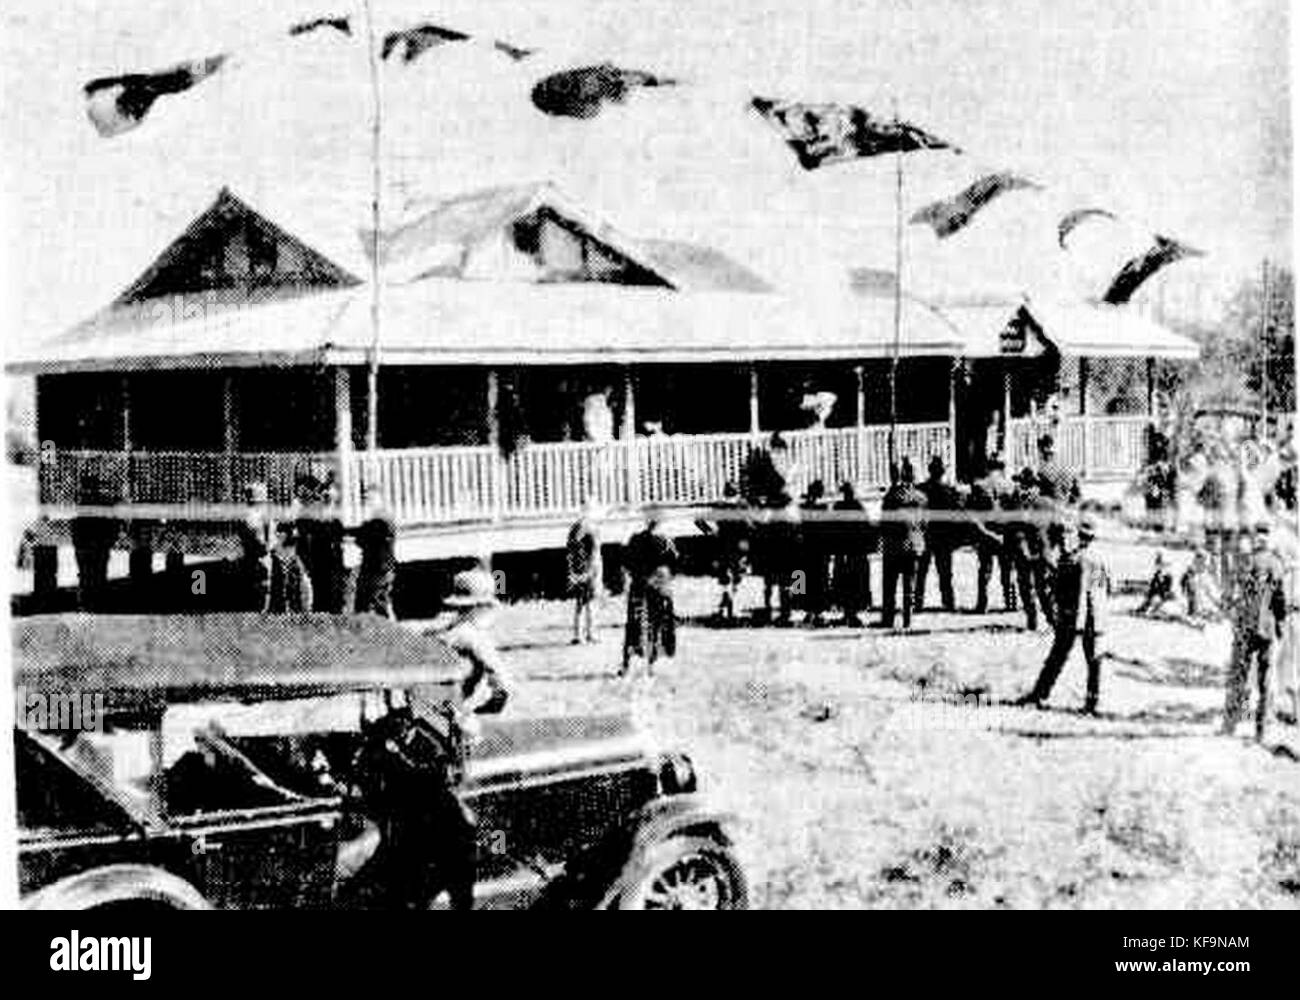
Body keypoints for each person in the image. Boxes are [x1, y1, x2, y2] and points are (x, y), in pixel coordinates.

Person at [1015, 516, 1112, 715]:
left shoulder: (1072, 559)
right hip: (1095, 615)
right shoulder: (1100, 559)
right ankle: (1093, 702)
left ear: (1079, 535)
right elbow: (1105, 586)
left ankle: (1039, 695)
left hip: (1072, 616)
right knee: (1094, 660)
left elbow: (1059, 589)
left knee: (1057, 657)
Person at [1220, 524, 1288, 742]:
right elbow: (1280, 600)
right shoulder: (1276, 564)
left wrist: (1233, 615)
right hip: (1266, 629)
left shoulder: (1245, 560)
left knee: (1240, 677)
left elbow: (1232, 594)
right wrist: (1280, 624)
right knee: (1263, 680)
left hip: (1245, 628)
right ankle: (1260, 731)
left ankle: (1232, 724)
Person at [434, 567, 513, 715]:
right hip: (454, 701)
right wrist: (499, 695)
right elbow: (497, 671)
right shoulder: (472, 635)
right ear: (480, 607)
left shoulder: (447, 629)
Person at [621, 507, 679, 676]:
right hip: (659, 586)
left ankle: (626, 664)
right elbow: (674, 562)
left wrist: (638, 575)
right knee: (657, 624)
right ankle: (651, 664)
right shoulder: (665, 541)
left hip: (639, 584)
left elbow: (627, 561)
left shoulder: (636, 539)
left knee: (634, 624)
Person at [879, 458, 926, 631]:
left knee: (890, 584)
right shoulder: (921, 498)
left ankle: (888, 617)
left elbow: (885, 522)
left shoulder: (892, 496)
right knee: (909, 584)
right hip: (914, 545)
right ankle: (908, 618)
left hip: (894, 545)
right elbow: (925, 523)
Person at [970, 455, 1016, 614]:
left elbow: (972, 513)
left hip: (986, 531)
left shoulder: (979, 485)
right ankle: (1010, 602)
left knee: (984, 569)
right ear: (1002, 467)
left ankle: (982, 604)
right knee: (1007, 569)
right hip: (1005, 532)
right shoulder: (1010, 486)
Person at [914, 455, 959, 613]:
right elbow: (955, 516)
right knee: (945, 572)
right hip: (944, 536)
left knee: (921, 572)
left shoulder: (920, 489)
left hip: (926, 534)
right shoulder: (949, 491)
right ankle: (949, 602)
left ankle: (917, 602)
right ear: (942, 472)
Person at [296, 473, 347, 613]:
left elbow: (335, 530)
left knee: (333, 594)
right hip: (316, 560)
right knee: (320, 596)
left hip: (330, 558)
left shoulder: (327, 513)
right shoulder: (304, 515)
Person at [70, 470, 119, 611]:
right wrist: (110, 540)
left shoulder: (79, 503)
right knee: (98, 573)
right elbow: (113, 523)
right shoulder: (105, 502)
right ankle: (97, 602)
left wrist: (77, 543)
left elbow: (75, 526)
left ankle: (85, 603)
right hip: (99, 544)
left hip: (85, 544)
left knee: (85, 574)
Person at [353, 486, 397, 619]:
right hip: (376, 567)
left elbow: (362, 538)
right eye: (365, 499)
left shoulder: (381, 520)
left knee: (374, 602)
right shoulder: (377, 519)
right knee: (377, 601)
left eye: (370, 499)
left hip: (378, 568)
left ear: (379, 499)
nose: (367, 502)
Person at [831, 481, 871, 626]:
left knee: (845, 583)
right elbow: (866, 529)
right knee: (854, 583)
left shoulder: (839, 507)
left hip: (845, 552)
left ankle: (849, 613)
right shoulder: (858, 508)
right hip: (855, 552)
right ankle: (851, 613)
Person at [565, 500, 603, 644]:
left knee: (580, 602)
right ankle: (590, 633)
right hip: (590, 568)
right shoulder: (590, 528)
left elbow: (570, 550)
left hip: (578, 568)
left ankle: (578, 634)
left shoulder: (575, 527)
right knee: (591, 602)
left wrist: (573, 570)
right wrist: (591, 571)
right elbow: (593, 552)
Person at [235, 481, 273, 612]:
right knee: (255, 584)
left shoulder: (258, 515)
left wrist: (266, 546)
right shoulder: (249, 516)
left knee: (260, 585)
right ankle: (256, 609)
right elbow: (248, 538)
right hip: (254, 556)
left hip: (257, 556)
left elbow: (268, 536)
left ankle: (260, 610)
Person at [799, 480, 832, 626]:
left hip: (806, 550)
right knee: (820, 581)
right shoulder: (823, 509)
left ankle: (807, 612)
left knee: (805, 580)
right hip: (820, 550)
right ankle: (818, 612)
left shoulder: (802, 508)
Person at [268, 522, 314, 613]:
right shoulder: (274, 553)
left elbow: (304, 578)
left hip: (296, 597)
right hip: (280, 600)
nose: (278, 535)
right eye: (278, 532)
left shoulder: (297, 552)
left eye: (281, 532)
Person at [1179, 547, 1218, 622]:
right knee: (1194, 601)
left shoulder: (1204, 568)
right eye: (1199, 557)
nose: (1201, 560)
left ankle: (1202, 613)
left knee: (1203, 600)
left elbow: (1208, 573)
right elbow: (1186, 579)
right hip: (1193, 589)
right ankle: (1193, 614)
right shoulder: (1192, 568)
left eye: (1203, 558)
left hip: (1200, 588)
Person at [1136, 551, 1176, 616]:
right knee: (1150, 598)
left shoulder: (1166, 575)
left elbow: (1166, 585)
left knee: (1154, 599)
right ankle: (1145, 609)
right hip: (1157, 590)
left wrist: (1165, 590)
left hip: (1161, 591)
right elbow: (1154, 583)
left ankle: (1151, 610)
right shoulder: (1158, 575)